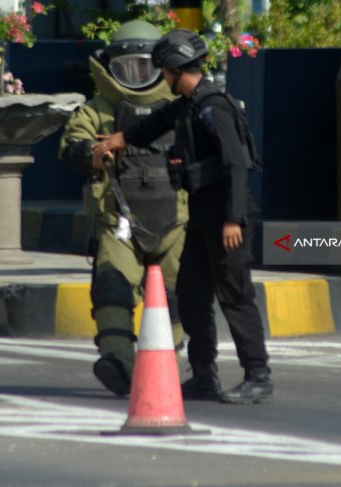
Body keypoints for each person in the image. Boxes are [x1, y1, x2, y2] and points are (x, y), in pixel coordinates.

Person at [92, 29, 272, 404]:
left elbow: (237, 164)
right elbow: (153, 124)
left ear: (174, 69)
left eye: (164, 72)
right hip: (203, 215)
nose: (163, 79)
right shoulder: (190, 105)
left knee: (235, 295)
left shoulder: (214, 107)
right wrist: (119, 140)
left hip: (226, 216)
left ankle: (258, 375)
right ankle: (204, 376)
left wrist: (233, 219)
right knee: (191, 295)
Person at [58, 20, 188, 397]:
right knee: (111, 286)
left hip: (177, 218)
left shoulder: (181, 107)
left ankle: (169, 359)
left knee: (179, 291)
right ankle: (117, 360)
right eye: (126, 67)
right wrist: (91, 155)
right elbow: (71, 146)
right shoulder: (98, 109)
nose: (136, 75)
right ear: (109, 67)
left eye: (145, 66)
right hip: (118, 218)